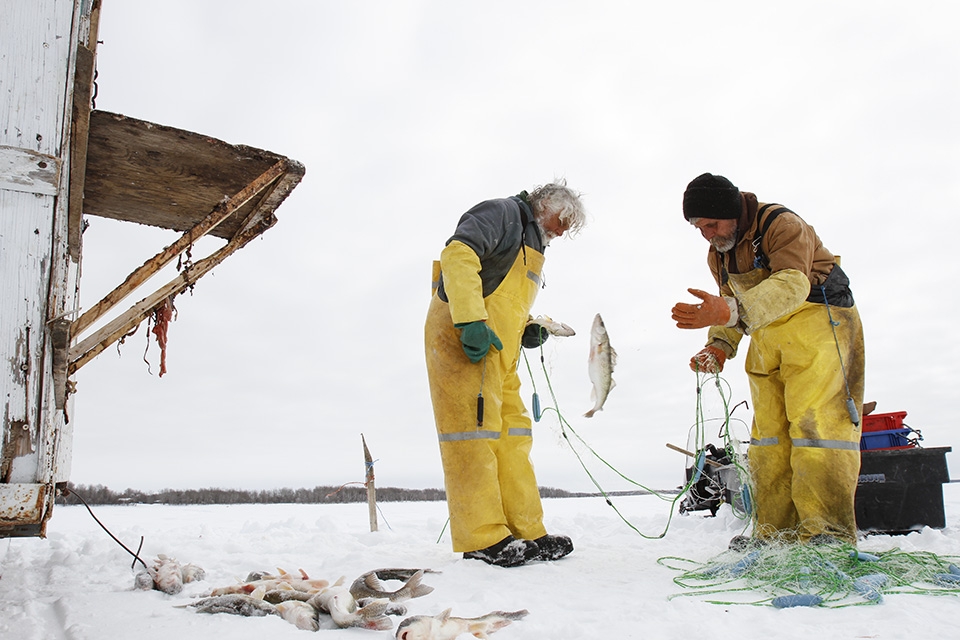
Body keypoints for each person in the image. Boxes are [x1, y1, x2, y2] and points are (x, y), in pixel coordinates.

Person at [671, 173, 865, 546]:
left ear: (732, 212)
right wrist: (718, 346)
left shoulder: (782, 225)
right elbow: (728, 305)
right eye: (698, 227)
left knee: (817, 430)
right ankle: (775, 535)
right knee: (768, 441)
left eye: (711, 223)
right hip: (767, 332)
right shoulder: (719, 254)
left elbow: (793, 284)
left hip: (819, 325)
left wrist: (726, 310)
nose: (707, 234)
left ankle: (826, 536)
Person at [424, 180, 586, 567]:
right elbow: (458, 254)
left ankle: (526, 529)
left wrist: (527, 327)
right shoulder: (502, 213)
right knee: (473, 438)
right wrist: (470, 320)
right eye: (560, 221)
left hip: (502, 354)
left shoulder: (535, 240)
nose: (559, 232)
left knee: (514, 437)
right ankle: (482, 538)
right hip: (463, 340)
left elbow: (504, 296)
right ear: (544, 204)